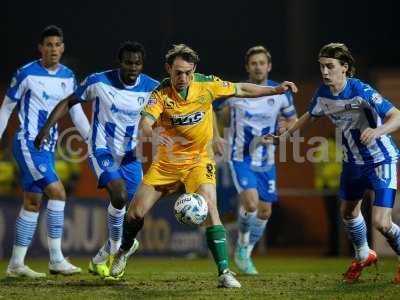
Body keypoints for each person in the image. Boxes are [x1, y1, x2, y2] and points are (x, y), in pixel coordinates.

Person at [108, 44, 297, 288]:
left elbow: (241, 89)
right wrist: (153, 135)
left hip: (199, 160)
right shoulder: (160, 93)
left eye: (187, 72)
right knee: (135, 213)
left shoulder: (207, 85)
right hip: (167, 164)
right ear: (168, 69)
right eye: (177, 72)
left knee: (210, 208)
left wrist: (275, 89)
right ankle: (123, 251)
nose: (182, 78)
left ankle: (225, 271)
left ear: (194, 69)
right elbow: (145, 122)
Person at [267, 43, 400, 283]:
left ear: (345, 68)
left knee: (381, 222)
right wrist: (283, 137)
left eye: (330, 66)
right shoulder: (323, 94)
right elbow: (308, 116)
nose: (325, 72)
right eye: (321, 67)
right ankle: (363, 255)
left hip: (381, 159)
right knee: (348, 213)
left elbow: (396, 116)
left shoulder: (361, 90)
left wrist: (378, 131)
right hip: (352, 162)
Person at [35, 41, 159, 278]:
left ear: (142, 64)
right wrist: (46, 128)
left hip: (132, 156)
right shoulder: (98, 81)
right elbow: (68, 102)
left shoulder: (152, 87)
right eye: (128, 62)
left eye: (137, 63)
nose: (133, 67)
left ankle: (102, 256)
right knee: (119, 194)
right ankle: (115, 249)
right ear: (119, 62)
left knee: (136, 215)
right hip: (102, 150)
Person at [0, 25, 90, 277]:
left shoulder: (68, 77)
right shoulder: (26, 73)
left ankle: (16, 264)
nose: (53, 49)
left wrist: (91, 139)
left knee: (32, 202)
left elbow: (75, 112)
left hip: (48, 147)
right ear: (40, 48)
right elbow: (7, 108)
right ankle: (56, 259)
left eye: (57, 45)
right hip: (29, 143)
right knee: (58, 193)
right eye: (48, 45)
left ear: (62, 48)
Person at [213, 45, 298, 275]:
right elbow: (210, 106)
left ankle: (245, 250)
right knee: (250, 204)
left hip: (266, 160)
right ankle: (241, 243)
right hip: (240, 157)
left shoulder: (281, 93)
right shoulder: (236, 92)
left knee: (265, 212)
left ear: (269, 66)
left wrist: (283, 132)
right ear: (247, 67)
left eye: (262, 63)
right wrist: (216, 135)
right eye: (254, 63)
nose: (258, 67)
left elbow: (293, 121)